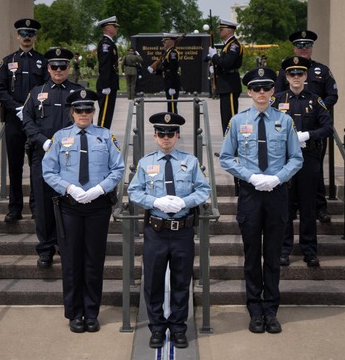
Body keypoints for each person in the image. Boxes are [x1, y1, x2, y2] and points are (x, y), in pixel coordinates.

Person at [219, 66, 303, 334]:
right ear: (249, 91)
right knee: (252, 254)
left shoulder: (285, 121)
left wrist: (278, 178)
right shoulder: (237, 121)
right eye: (256, 88)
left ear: (273, 91)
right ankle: (255, 309)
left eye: (267, 88)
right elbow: (226, 157)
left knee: (274, 255)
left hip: (277, 193)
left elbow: (296, 158)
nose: (262, 93)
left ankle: (271, 309)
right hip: (251, 193)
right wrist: (251, 177)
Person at [42, 89, 125, 333]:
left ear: (94, 112)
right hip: (70, 206)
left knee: (93, 260)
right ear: (71, 112)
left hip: (98, 206)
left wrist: (100, 188)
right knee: (71, 260)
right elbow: (48, 171)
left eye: (88, 109)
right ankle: (74, 312)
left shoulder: (106, 136)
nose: (84, 114)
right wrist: (68, 188)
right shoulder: (59, 137)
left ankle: (91, 312)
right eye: (79, 110)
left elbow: (117, 169)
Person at [128, 112, 210, 349]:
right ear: (154, 135)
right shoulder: (145, 163)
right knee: (153, 281)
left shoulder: (191, 162)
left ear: (177, 135)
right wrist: (155, 202)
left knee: (181, 281)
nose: (166, 138)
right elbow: (134, 192)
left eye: (170, 133)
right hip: (156, 230)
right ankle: (156, 328)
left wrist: (186, 202)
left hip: (182, 230)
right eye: (161, 133)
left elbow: (204, 190)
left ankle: (178, 327)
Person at [23, 47, 82, 268]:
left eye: (63, 66)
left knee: (69, 200)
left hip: (69, 156)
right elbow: (27, 120)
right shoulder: (36, 92)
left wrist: (62, 142)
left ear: (68, 68)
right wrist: (42, 140)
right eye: (54, 66)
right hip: (42, 154)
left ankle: (65, 245)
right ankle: (46, 248)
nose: (58, 70)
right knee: (43, 202)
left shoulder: (77, 93)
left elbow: (82, 120)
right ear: (48, 68)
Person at [273, 56, 333, 268]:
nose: (296, 77)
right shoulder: (277, 101)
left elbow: (327, 128)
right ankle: (284, 250)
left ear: (306, 76)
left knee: (308, 207)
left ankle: (309, 251)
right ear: (287, 77)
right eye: (292, 74)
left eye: (300, 74)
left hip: (308, 158)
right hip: (284, 160)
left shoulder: (315, 101)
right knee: (285, 207)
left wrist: (307, 135)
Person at [275, 30, 338, 223]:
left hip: (314, 130)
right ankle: (292, 208)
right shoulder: (285, 70)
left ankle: (320, 207)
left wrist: (317, 112)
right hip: (289, 130)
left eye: (307, 45)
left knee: (315, 171)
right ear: (294, 48)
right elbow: (277, 96)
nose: (304, 49)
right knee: (289, 172)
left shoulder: (322, 70)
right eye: (300, 46)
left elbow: (332, 95)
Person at [0, 18, 48, 223]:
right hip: (14, 121)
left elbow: (45, 89)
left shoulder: (42, 62)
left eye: (31, 34)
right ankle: (15, 207)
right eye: (23, 34)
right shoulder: (8, 62)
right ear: (18, 36)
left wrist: (29, 110)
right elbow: (0, 89)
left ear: (35, 37)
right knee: (15, 166)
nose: (27, 38)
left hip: (35, 122)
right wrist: (16, 107)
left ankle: (35, 207)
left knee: (36, 165)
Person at [206, 19, 244, 135]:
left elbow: (227, 63)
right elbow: (223, 63)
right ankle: (228, 145)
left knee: (230, 117)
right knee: (225, 118)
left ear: (229, 30)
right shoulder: (227, 45)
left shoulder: (234, 45)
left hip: (230, 85)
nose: (219, 32)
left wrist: (215, 56)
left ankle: (233, 148)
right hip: (226, 85)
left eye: (221, 29)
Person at [95, 16, 120, 129]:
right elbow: (104, 66)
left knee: (108, 114)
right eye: (115, 26)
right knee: (105, 115)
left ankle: (104, 137)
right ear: (108, 28)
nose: (116, 29)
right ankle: (101, 139)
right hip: (107, 85)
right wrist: (106, 85)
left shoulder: (110, 43)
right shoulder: (106, 44)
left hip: (110, 84)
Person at [148, 34, 182, 113]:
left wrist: (172, 86)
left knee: (172, 106)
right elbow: (166, 70)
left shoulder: (173, 53)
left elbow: (173, 70)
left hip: (172, 83)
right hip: (168, 82)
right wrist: (154, 71)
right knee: (170, 105)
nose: (163, 44)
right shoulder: (167, 53)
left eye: (165, 42)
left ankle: (173, 122)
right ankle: (171, 121)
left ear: (170, 42)